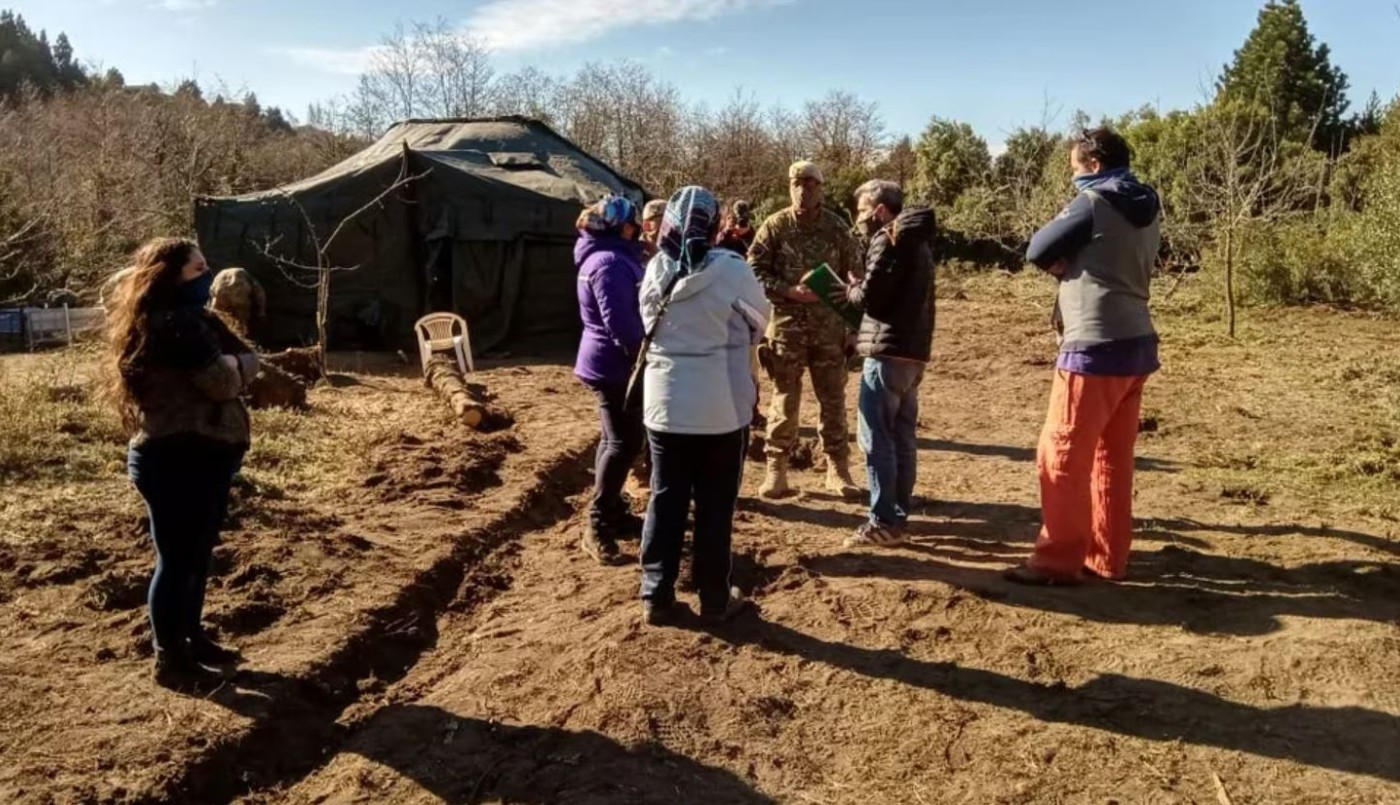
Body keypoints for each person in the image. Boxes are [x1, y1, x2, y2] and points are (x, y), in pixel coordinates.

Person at [1007, 127, 1162, 585]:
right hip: (1137, 342)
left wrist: (1063, 265)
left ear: (1094, 164)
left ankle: (1056, 561)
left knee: (1060, 453)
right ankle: (1107, 557)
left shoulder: (1093, 201)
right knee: (1112, 458)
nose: (1074, 177)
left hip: (1093, 346)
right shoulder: (1148, 203)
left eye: (1075, 167)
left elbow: (1037, 248)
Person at [105, 237, 260, 690]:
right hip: (175, 458)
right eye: (197, 269)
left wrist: (236, 365)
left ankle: (192, 637)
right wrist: (236, 366)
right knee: (176, 560)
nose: (207, 277)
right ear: (169, 276)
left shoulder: (196, 320)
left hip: (203, 454)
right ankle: (169, 659)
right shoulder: (172, 326)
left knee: (197, 553)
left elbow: (247, 363)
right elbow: (223, 382)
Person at [638, 186, 770, 626]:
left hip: (664, 406)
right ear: (713, 226)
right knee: (715, 506)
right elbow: (759, 323)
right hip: (720, 409)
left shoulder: (656, 269)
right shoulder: (732, 270)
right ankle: (714, 598)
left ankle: (656, 595)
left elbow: (646, 323)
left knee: (665, 499)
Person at [749, 161, 864, 500]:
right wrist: (788, 290)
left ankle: (837, 469)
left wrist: (854, 326)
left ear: (821, 189)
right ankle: (776, 470)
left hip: (830, 331)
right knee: (785, 399)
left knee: (833, 400)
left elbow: (857, 276)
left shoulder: (837, 228)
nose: (803, 191)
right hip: (787, 330)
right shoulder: (775, 226)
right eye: (796, 184)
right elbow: (752, 271)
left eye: (810, 184)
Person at [834, 181, 936, 547]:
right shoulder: (919, 243)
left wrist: (851, 289)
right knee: (902, 437)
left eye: (862, 210)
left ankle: (883, 521)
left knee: (876, 438)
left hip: (886, 352)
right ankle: (898, 516)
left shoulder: (888, 238)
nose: (859, 219)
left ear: (880, 210)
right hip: (912, 353)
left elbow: (872, 299)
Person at [573, 196, 647, 565]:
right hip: (614, 365)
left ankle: (614, 513)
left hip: (605, 360)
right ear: (624, 227)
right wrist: (641, 358)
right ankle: (598, 524)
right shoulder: (610, 263)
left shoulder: (603, 256)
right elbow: (620, 322)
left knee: (613, 438)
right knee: (625, 442)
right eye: (635, 225)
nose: (639, 232)